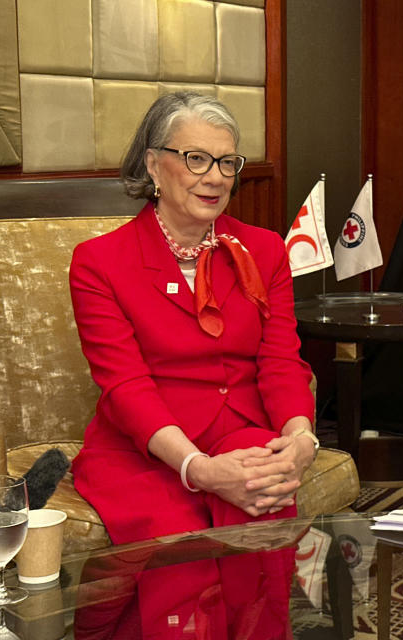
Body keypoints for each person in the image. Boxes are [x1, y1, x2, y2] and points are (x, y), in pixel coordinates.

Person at [69, 92, 316, 638]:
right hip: (147, 449)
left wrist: (301, 438)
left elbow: (281, 360)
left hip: (241, 430)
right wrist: (197, 469)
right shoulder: (100, 262)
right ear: (154, 164)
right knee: (179, 539)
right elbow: (125, 386)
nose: (215, 177)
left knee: (264, 492)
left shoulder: (265, 250)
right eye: (196, 158)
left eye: (227, 162)